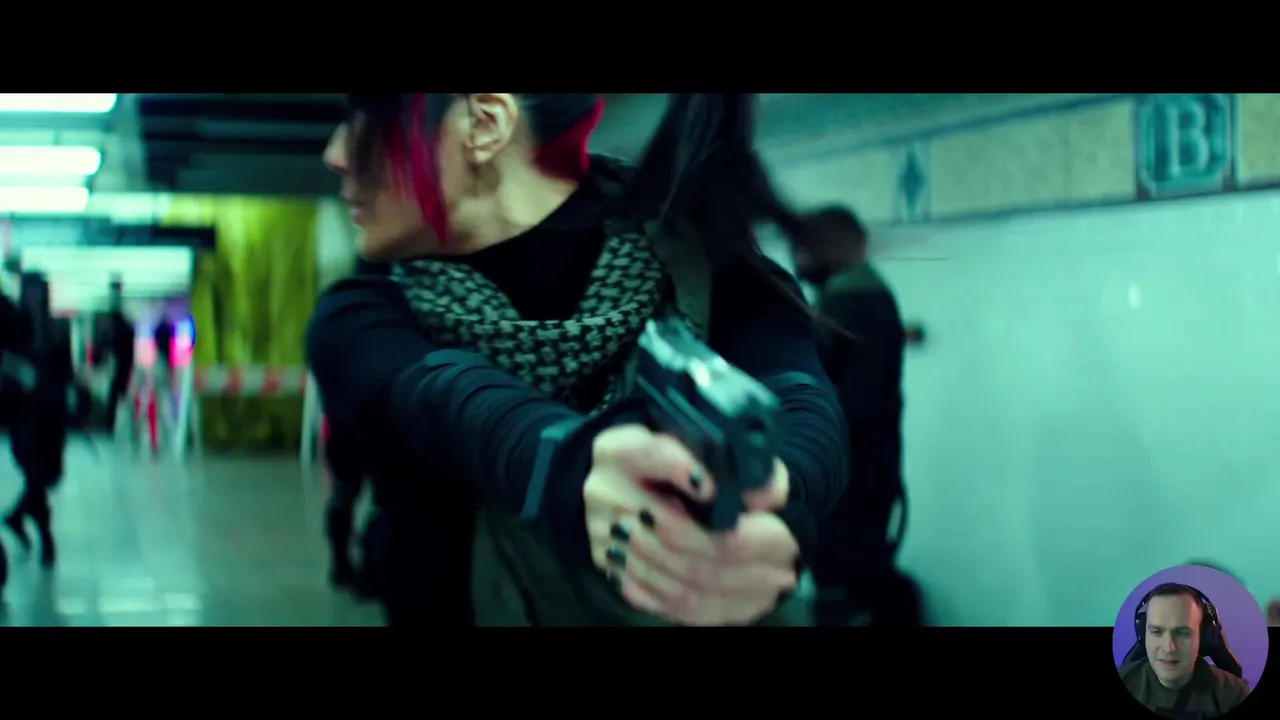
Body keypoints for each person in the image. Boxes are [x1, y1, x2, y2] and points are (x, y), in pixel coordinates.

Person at [306, 93, 849, 626]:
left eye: (368, 115)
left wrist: (774, 501)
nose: (335, 154)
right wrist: (570, 468)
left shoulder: (704, 265)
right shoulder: (362, 313)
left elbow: (799, 401)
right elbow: (444, 397)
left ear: (485, 122)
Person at [794, 207, 919, 627]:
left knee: (844, 590)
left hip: (852, 483)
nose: (798, 257)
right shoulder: (850, 299)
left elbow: (857, 403)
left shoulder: (855, 304)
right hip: (858, 477)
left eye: (805, 248)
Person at [3, 272, 71, 568]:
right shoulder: (14, 326)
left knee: (47, 476)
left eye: (39, 291)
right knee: (36, 476)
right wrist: (16, 371)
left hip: (51, 416)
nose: (34, 297)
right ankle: (45, 538)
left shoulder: (56, 328)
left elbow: (65, 369)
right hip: (23, 414)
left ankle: (18, 516)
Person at [1118, 583, 1251, 717]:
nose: (1169, 648)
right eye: (1156, 632)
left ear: (1203, 636)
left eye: (1182, 633)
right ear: (1143, 634)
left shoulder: (1235, 696)